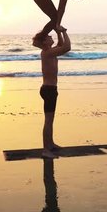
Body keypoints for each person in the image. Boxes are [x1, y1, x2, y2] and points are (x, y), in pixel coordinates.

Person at [32, 27, 71, 159]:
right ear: (44, 42)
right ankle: (45, 149)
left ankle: (51, 144)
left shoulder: (50, 51)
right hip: (49, 90)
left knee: (50, 120)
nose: (51, 37)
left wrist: (58, 31)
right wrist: (64, 31)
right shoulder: (47, 53)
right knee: (48, 121)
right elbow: (66, 47)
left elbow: (61, 45)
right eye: (49, 36)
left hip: (50, 89)